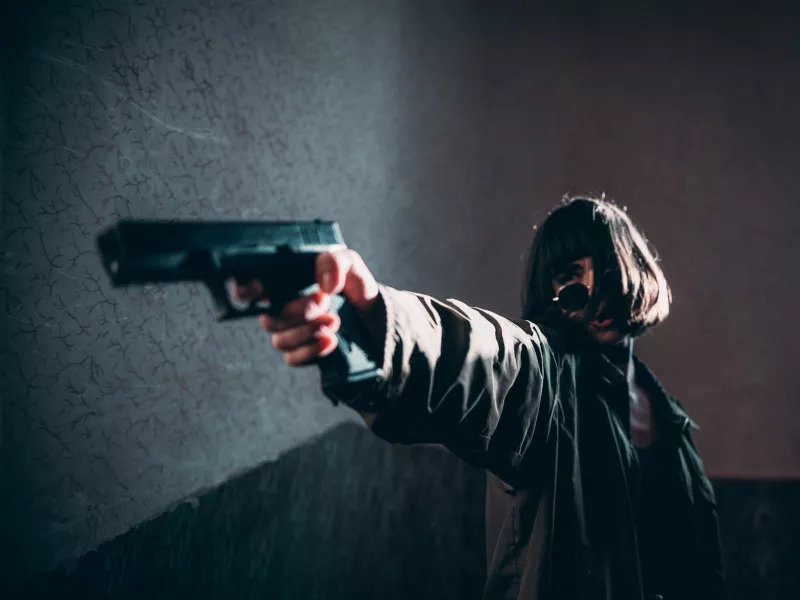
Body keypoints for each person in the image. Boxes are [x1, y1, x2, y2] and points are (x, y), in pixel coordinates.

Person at [235, 195, 727, 600]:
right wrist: (371, 323)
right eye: (569, 274)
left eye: (605, 264)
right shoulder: (549, 382)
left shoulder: (670, 421)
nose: (592, 289)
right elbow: (488, 358)